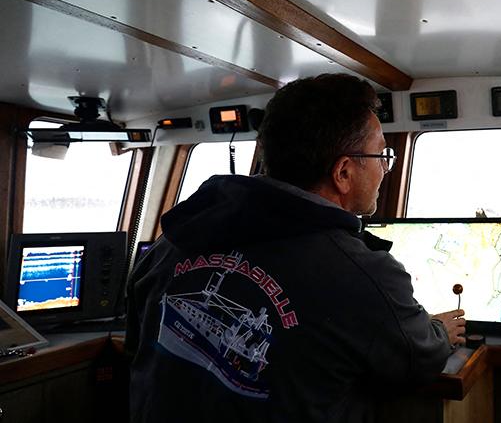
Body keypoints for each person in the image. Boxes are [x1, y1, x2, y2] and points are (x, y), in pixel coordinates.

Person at [126, 73, 466, 422]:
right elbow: (416, 358)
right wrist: (439, 331)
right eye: (381, 154)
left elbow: (137, 348)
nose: (384, 168)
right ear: (344, 173)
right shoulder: (361, 274)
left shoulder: (170, 244)